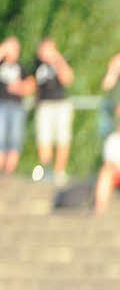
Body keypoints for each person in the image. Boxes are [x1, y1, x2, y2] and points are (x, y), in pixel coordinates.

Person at [29, 38, 75, 185]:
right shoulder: (36, 64)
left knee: (63, 138)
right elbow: (31, 85)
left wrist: (56, 59)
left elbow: (68, 79)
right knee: (44, 139)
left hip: (60, 104)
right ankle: (46, 171)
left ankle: (59, 172)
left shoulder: (61, 62)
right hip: (44, 105)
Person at [0, 37, 30, 176]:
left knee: (15, 139)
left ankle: (8, 172)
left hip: (16, 106)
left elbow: (31, 86)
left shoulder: (21, 67)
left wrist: (19, 87)